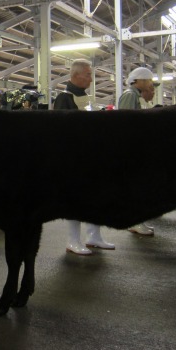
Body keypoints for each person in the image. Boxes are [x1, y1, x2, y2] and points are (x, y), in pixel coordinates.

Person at [53, 59, 115, 255]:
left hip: (91, 156)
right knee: (75, 200)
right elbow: (63, 132)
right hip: (74, 159)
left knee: (94, 198)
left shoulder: (87, 98)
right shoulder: (64, 97)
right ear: (75, 75)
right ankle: (72, 240)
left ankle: (94, 236)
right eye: (88, 74)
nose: (91, 78)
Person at [118, 67, 160, 236]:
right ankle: (135, 221)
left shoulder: (136, 96)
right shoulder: (130, 95)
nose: (151, 84)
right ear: (140, 81)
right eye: (149, 81)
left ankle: (139, 220)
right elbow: (126, 123)